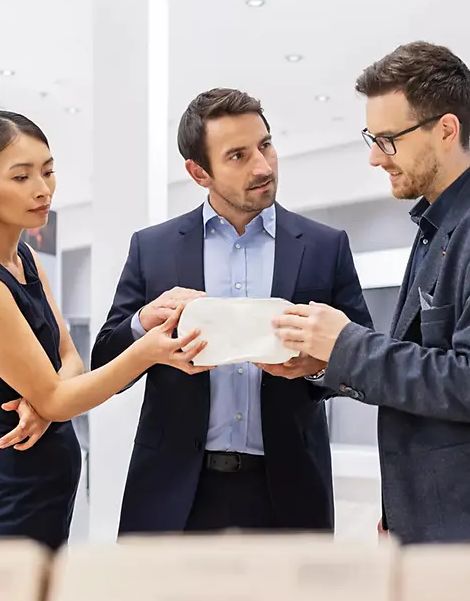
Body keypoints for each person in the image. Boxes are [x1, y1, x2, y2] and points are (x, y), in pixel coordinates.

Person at [273, 42, 470, 544]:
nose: (373, 157)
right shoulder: (443, 226)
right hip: (436, 519)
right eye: (372, 137)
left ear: (447, 130)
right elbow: (423, 367)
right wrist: (326, 363)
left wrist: (346, 345)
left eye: (387, 139)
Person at [0, 111, 208, 550]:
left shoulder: (25, 261)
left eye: (48, 171)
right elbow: (57, 395)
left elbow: (70, 359)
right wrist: (145, 352)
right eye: (21, 177)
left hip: (45, 496)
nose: (43, 189)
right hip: (3, 503)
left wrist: (44, 401)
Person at [91, 88, 372, 535]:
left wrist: (316, 367)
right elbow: (104, 359)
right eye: (238, 156)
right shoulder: (153, 248)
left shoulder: (325, 246)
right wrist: (144, 323)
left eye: (265, 145)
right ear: (199, 172)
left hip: (289, 494)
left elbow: (364, 362)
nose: (262, 166)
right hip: (173, 495)